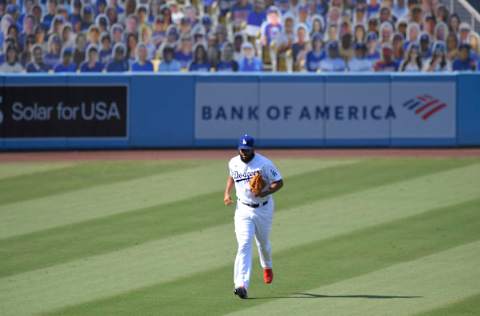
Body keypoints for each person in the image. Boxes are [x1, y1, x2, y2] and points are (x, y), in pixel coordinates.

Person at [224, 134, 284, 300]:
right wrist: (227, 193)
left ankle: (267, 265)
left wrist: (264, 191)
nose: (244, 152)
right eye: (242, 149)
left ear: (253, 149)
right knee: (244, 244)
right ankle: (241, 285)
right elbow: (232, 176)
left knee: (263, 243)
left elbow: (279, 182)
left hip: (263, 209)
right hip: (242, 209)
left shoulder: (264, 163)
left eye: (247, 150)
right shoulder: (233, 162)